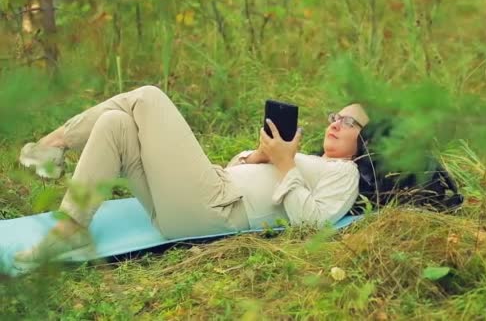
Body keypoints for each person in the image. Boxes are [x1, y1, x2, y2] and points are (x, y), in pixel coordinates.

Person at [14, 85, 371, 265]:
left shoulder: (344, 173)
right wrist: (261, 155)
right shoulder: (305, 157)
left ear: (364, 139)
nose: (337, 123)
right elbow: (236, 170)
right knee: (115, 124)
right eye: (334, 117)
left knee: (149, 97)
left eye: (349, 122)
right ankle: (72, 227)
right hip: (204, 194)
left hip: (218, 208)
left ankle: (55, 143)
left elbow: (313, 223)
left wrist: (284, 164)